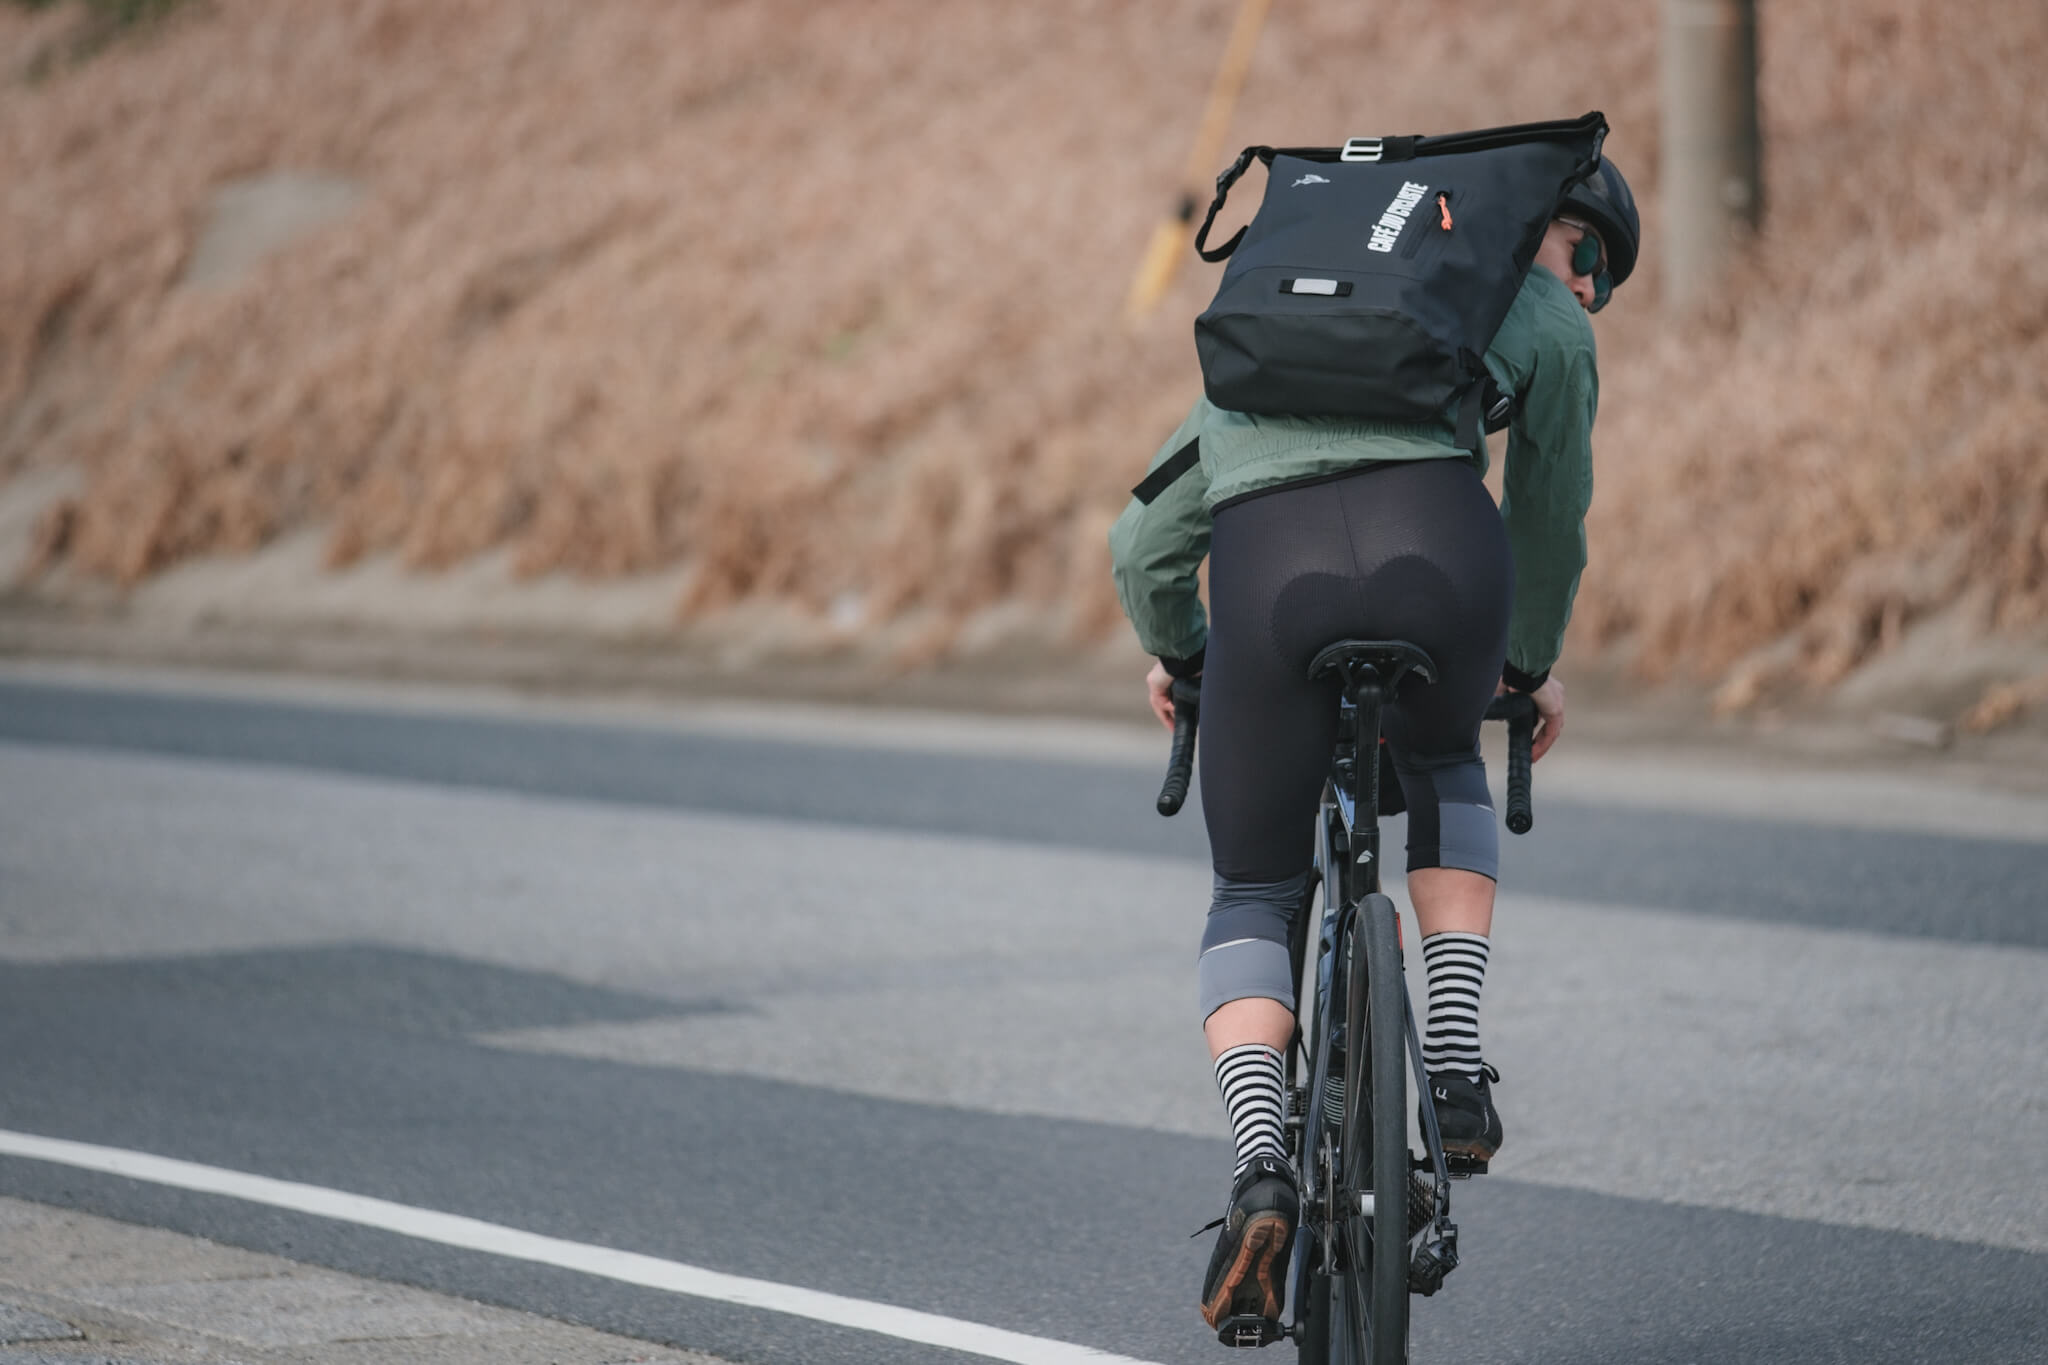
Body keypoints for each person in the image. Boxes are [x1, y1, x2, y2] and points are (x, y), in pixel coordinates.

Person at [1109, 159, 1639, 1335]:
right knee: (1443, 756)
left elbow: (1141, 537)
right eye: (1591, 261)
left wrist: (1187, 657)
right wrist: (1526, 661)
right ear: (1565, 240)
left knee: (1252, 884)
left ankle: (1259, 1164)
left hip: (1266, 586)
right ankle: (1450, 1065)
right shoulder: (1542, 315)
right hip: (1440, 565)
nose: (1586, 290)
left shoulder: (1275, 328)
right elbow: (1551, 507)